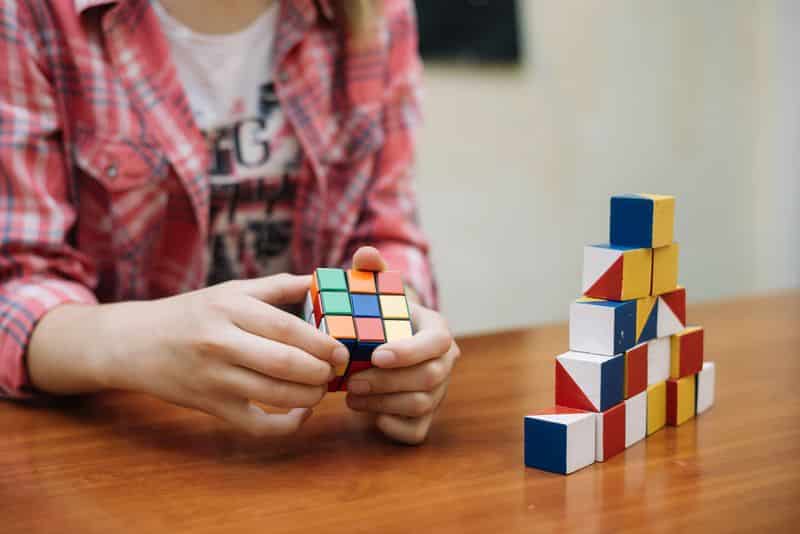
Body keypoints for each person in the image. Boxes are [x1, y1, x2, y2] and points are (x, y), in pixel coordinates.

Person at [0, 0, 459, 445]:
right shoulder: (32, 12)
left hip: (312, 445)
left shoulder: (379, 11)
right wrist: (139, 340)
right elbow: (16, 287)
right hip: (112, 441)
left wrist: (405, 343)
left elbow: (385, 233)